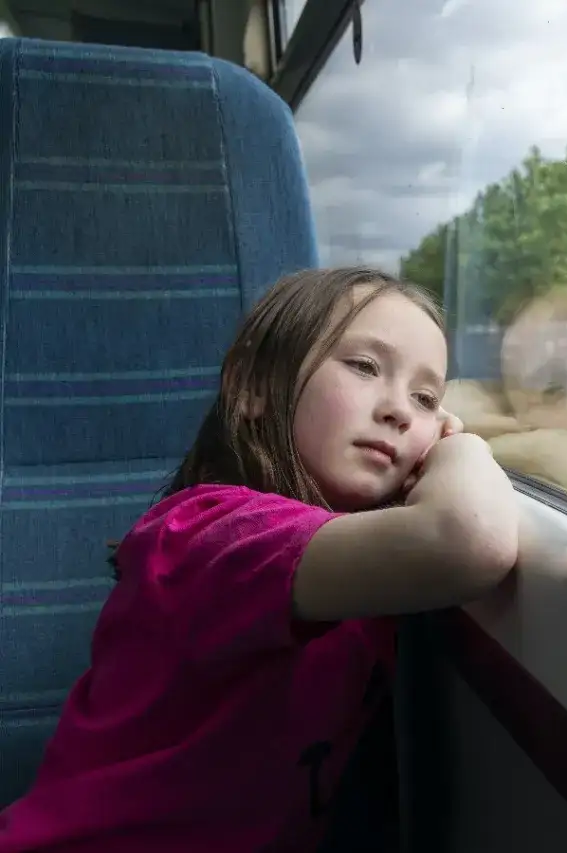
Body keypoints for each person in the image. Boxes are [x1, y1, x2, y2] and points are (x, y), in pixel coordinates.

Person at [0, 267, 520, 852]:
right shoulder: (208, 534)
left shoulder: (362, 560)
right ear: (253, 384)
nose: (401, 411)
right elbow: (469, 539)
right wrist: (461, 447)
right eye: (364, 366)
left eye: (426, 399)